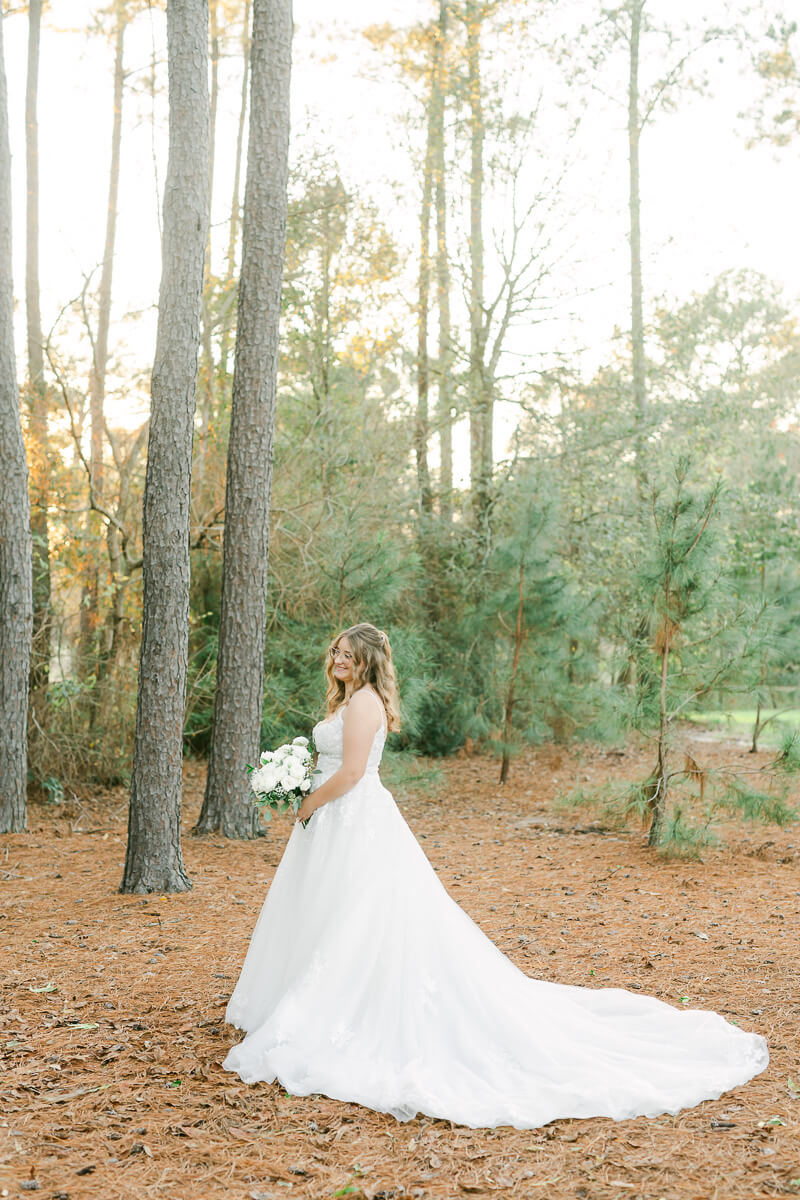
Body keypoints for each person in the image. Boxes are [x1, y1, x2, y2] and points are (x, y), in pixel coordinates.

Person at [222, 622, 768, 1129]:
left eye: (348, 654)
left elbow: (353, 771)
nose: (338, 659)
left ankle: (337, 1008)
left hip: (350, 816)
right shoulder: (347, 700)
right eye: (336, 652)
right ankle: (310, 998)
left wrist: (309, 800)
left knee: (358, 915)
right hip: (333, 820)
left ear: (367, 663)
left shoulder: (363, 703)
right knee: (327, 911)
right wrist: (298, 786)